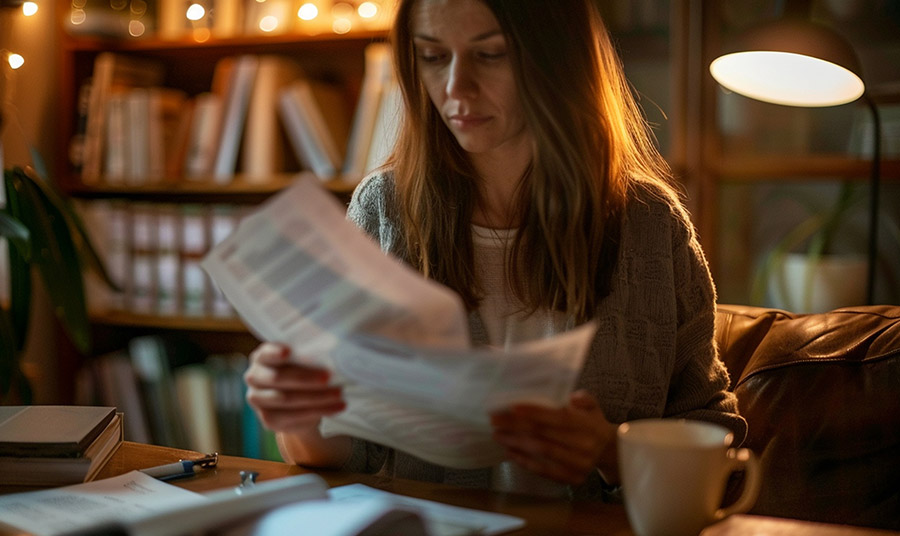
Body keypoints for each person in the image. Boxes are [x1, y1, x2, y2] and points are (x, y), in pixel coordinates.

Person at [244, 0, 746, 499]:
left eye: (490, 55)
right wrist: (299, 417)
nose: (455, 88)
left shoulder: (648, 225)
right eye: (434, 57)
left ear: (558, 61)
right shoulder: (384, 212)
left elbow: (716, 438)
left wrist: (611, 452)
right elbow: (349, 452)